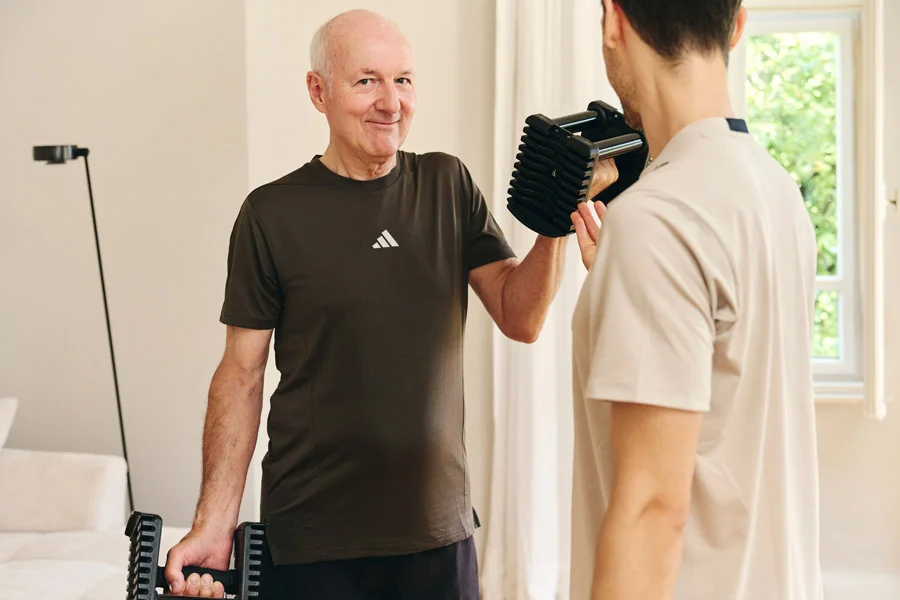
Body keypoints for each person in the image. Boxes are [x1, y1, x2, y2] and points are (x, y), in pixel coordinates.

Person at [162, 8, 611, 600]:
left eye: (403, 80)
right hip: (312, 538)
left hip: (436, 535)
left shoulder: (447, 185)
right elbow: (241, 376)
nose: (391, 102)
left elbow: (520, 316)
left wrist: (555, 221)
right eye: (366, 81)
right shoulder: (271, 214)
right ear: (318, 91)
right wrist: (214, 521)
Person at [567, 1, 823, 599]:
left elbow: (654, 509)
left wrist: (640, 256)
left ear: (612, 21)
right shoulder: (775, 191)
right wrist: (624, 282)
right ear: (737, 24)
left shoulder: (657, 220)